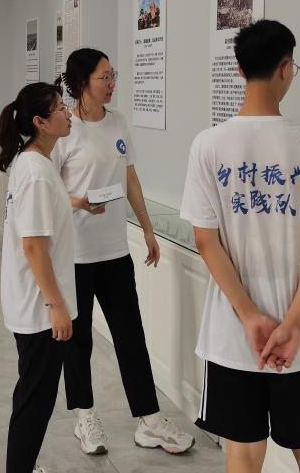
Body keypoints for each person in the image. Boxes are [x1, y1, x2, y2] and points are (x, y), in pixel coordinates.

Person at [181, 20, 300, 473]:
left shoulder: (207, 145)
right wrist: (293, 322)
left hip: (234, 335)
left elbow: (205, 241)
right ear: (285, 68)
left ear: (239, 69)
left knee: (243, 451)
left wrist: (250, 315)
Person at [53, 48, 195, 456]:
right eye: (105, 77)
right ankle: (84, 416)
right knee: (78, 341)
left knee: (131, 336)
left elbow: (130, 178)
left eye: (113, 75)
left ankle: (149, 420)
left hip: (114, 252)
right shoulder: (65, 130)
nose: (112, 83)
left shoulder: (118, 122)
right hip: (76, 255)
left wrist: (148, 229)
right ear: (83, 83)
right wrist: (79, 202)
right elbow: (49, 191)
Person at [0, 82, 78, 473]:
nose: (68, 113)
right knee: (35, 401)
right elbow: (33, 246)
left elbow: (40, 216)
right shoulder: (36, 172)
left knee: (33, 395)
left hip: (31, 304)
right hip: (39, 310)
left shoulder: (33, 162)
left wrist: (76, 203)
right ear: (40, 122)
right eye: (61, 108)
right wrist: (55, 305)